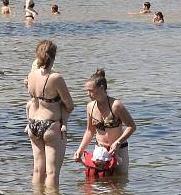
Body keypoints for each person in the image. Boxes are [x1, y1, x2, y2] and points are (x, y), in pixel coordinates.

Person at [25, 40, 74, 186]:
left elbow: (32, 98)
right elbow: (70, 104)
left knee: (38, 170)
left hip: (33, 123)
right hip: (50, 124)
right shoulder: (56, 78)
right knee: (52, 172)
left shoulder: (31, 75)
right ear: (53, 56)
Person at [74, 69, 136, 175]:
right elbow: (90, 131)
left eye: (91, 91)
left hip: (118, 149)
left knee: (119, 185)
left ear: (101, 88)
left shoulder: (116, 105)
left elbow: (131, 126)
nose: (88, 94)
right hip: (100, 151)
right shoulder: (90, 107)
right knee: (95, 183)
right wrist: (80, 150)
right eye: (87, 91)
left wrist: (118, 142)